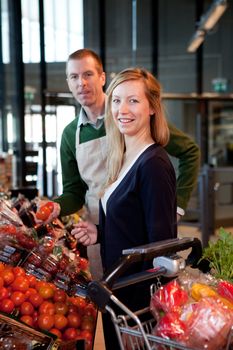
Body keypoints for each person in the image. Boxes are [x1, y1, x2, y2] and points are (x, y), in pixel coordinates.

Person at [38, 48, 199, 278]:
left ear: (103, 77)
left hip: (140, 245)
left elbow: (188, 152)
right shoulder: (70, 134)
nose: (81, 83)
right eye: (74, 77)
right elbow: (75, 192)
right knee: (108, 299)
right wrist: (57, 207)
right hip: (105, 231)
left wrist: (178, 206)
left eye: (88, 74)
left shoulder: (138, 133)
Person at [72, 67, 177, 349]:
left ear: (152, 107)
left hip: (136, 304)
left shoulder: (153, 164)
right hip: (116, 291)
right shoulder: (123, 158)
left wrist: (145, 311)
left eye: (133, 100)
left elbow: (162, 247)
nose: (122, 109)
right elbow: (133, 225)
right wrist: (100, 232)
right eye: (116, 100)